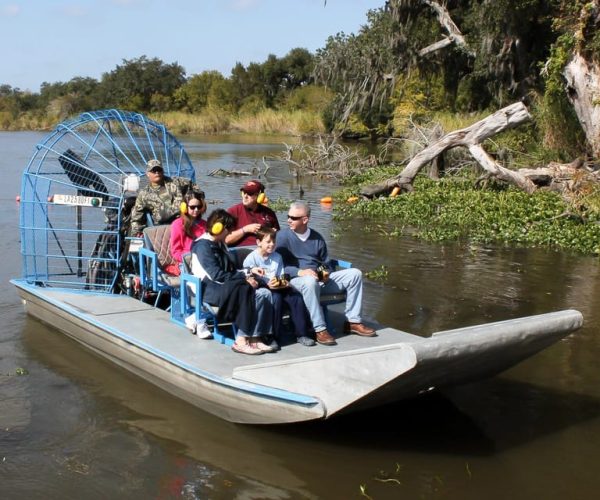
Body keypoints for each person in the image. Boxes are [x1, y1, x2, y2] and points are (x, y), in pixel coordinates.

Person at [276, 201, 376, 346]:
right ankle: (320, 330)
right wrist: (301, 271)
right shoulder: (282, 237)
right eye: (288, 216)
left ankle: (353, 322)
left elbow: (326, 263)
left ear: (305, 220)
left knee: (355, 273)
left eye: (293, 217)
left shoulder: (317, 238)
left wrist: (324, 274)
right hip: (295, 281)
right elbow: (279, 267)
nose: (289, 220)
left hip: (318, 280)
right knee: (309, 282)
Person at [191, 209, 275, 355]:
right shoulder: (203, 247)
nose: (230, 234)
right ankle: (241, 340)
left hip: (224, 285)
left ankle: (256, 337)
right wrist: (244, 278)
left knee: (263, 291)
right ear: (219, 228)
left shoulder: (220, 244)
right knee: (245, 289)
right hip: (207, 289)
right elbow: (216, 276)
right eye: (228, 230)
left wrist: (249, 271)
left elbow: (230, 271)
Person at [243, 227, 315, 348]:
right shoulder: (252, 258)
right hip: (262, 288)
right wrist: (265, 284)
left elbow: (281, 275)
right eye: (268, 242)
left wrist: (284, 282)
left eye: (273, 242)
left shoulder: (277, 257)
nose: (272, 244)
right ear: (258, 242)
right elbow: (248, 277)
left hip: (277, 286)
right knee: (276, 299)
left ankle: (301, 333)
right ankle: (272, 336)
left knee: (295, 297)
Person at [130, 159, 202, 236]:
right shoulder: (144, 194)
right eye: (153, 171)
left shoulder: (176, 182)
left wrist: (193, 199)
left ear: (163, 171)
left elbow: (196, 188)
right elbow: (137, 216)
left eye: (159, 170)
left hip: (183, 223)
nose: (157, 172)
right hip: (161, 228)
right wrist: (138, 232)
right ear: (148, 174)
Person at [225, 180, 280, 247]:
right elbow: (225, 240)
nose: (245, 196)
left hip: (264, 251)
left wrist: (273, 234)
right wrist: (245, 230)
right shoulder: (233, 211)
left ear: (260, 196)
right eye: (244, 192)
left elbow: (278, 238)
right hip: (240, 251)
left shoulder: (269, 213)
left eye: (250, 193)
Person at [167, 190, 208, 275]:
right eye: (192, 207)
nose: (196, 210)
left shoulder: (205, 224)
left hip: (204, 260)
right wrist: (191, 258)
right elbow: (176, 252)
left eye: (199, 206)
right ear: (184, 207)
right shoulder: (177, 225)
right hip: (186, 263)